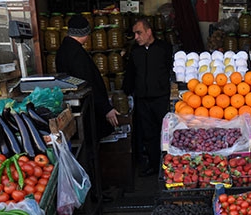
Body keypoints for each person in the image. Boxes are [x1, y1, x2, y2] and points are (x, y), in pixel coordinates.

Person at [56, 14, 120, 140]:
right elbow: (88, 83)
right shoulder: (76, 53)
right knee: (90, 144)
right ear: (85, 34)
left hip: (75, 106)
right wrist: (106, 109)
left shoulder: (64, 49)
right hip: (85, 109)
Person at [123, 18, 173, 177]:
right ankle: (153, 166)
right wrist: (126, 92)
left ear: (149, 32)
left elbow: (172, 71)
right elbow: (130, 74)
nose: (136, 37)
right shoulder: (135, 52)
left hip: (161, 98)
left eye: (139, 33)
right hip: (143, 100)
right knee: (149, 135)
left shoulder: (164, 48)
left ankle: (170, 167)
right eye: (134, 34)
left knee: (166, 133)